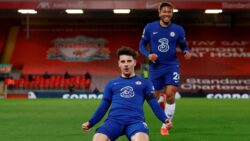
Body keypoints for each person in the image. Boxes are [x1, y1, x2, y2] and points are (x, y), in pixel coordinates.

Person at [82, 47, 172, 141]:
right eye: (123, 61)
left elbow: (154, 104)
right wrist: (90, 123)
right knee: (97, 139)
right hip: (113, 121)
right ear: (119, 64)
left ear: (134, 62)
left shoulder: (145, 83)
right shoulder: (111, 84)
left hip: (135, 121)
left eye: (129, 61)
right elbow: (103, 107)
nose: (126, 64)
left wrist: (165, 120)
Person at [139, 2, 191, 135]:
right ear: (159, 12)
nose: (167, 13)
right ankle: (160, 101)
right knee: (153, 98)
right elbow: (142, 46)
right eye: (164, 11)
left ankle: (165, 124)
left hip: (171, 66)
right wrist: (148, 55)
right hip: (155, 67)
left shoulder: (178, 29)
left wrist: (186, 51)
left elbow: (184, 45)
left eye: (169, 11)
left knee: (170, 94)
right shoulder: (150, 27)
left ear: (172, 13)